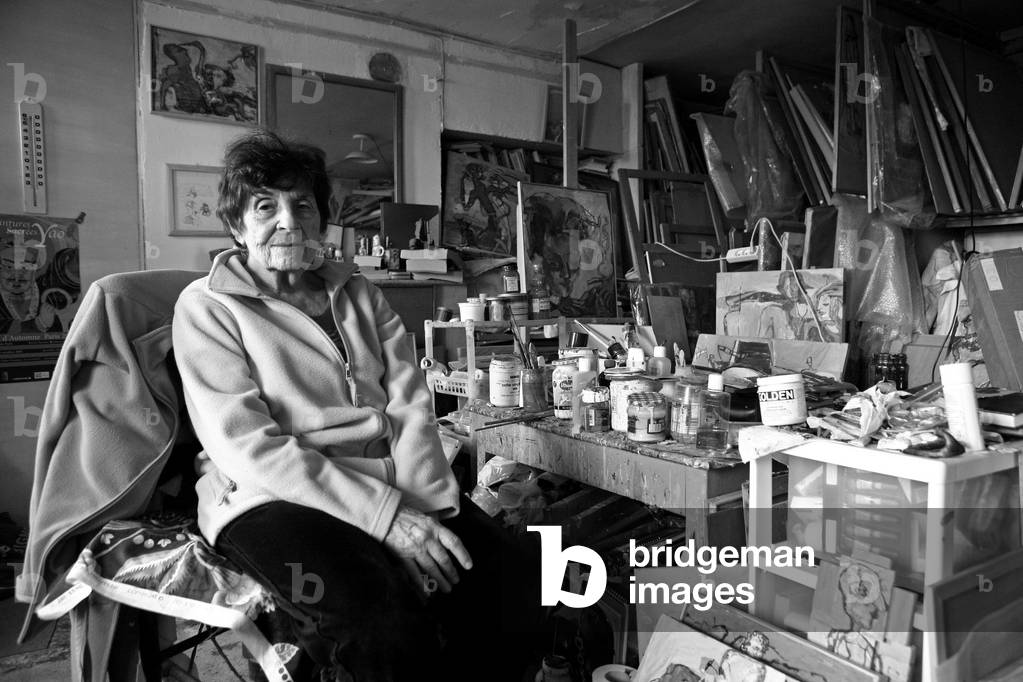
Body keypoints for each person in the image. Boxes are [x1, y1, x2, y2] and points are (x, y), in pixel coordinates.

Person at [172, 129, 541, 681]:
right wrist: (384, 518)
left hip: (386, 478)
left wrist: (426, 508)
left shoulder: (360, 293)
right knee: (378, 622)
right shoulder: (208, 308)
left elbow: (411, 404)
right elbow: (247, 447)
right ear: (236, 225)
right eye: (265, 206)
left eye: (303, 206)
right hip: (269, 497)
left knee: (515, 584)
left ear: (323, 220)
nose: (289, 222)